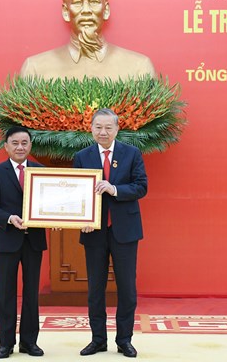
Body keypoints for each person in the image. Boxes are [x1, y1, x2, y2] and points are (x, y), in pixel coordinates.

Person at [73, 108, 148, 358]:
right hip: (93, 231)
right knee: (95, 289)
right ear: (91, 129)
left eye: (108, 127)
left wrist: (114, 189)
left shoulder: (132, 153)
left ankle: (124, 340)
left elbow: (141, 187)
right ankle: (98, 340)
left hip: (124, 230)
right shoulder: (82, 156)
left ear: (117, 129)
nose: (103, 132)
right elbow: (76, 193)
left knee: (127, 288)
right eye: (98, 127)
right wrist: (81, 218)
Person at [0, 126, 47, 359]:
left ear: (30, 145)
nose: (20, 147)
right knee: (6, 293)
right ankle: (6, 343)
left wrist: (56, 218)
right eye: (15, 143)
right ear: (6, 146)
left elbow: (50, 205)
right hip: (7, 240)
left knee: (31, 293)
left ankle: (29, 342)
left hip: (34, 241)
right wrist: (9, 218)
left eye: (24, 143)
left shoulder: (41, 171)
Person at [20, 0, 155, 80]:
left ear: (106, 10)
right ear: (66, 12)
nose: (86, 10)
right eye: (77, 2)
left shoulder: (139, 69)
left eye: (94, 1)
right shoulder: (35, 70)